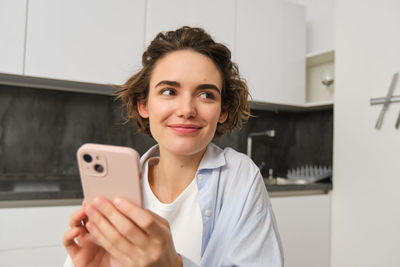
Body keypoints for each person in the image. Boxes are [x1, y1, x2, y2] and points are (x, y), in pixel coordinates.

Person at [63, 26, 283, 267]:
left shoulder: (240, 176)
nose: (186, 110)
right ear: (143, 105)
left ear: (223, 110)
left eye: (206, 95)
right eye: (169, 91)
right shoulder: (117, 187)